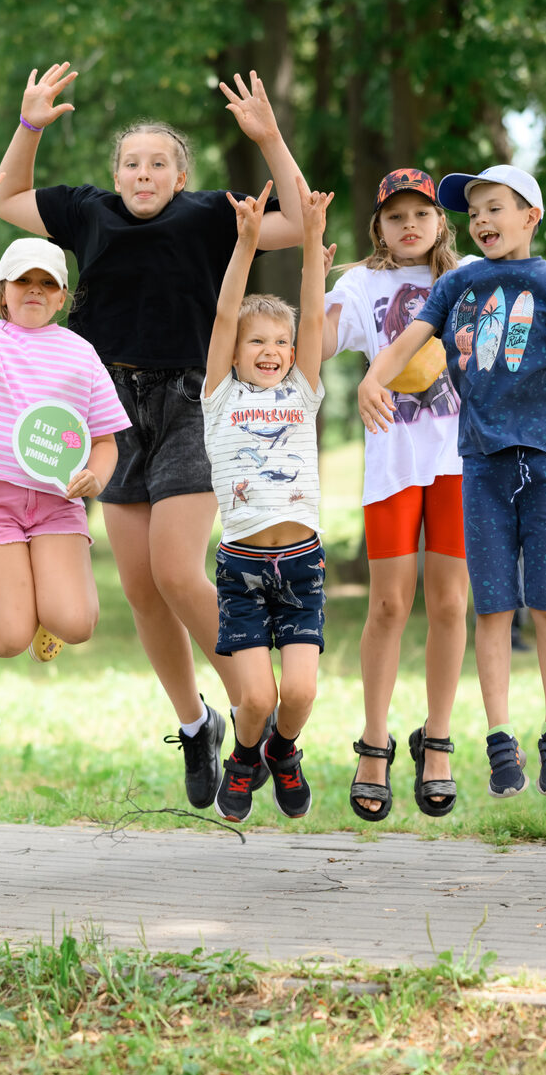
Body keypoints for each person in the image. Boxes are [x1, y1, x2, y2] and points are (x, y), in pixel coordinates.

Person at [0, 62, 307, 810]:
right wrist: (29, 123)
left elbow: (297, 221)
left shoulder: (207, 214)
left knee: (175, 568)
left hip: (193, 398)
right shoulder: (87, 210)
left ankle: (249, 710)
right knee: (140, 589)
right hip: (106, 406)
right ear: (116, 172)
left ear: (180, 172)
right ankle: (196, 724)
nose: (143, 172)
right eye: (132, 162)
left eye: (158, 162)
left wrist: (269, 138)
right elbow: (4, 198)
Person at [328, 169, 546, 821]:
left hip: (522, 460)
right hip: (460, 464)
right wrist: (370, 380)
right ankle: (454, 742)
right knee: (449, 606)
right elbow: (403, 342)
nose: (481, 219)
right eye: (475, 211)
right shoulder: (453, 284)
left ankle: (530, 740)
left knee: (522, 604)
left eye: (495, 207)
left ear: (531, 217)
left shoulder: (519, 276)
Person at [0, 164, 131, 663]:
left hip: (57, 501)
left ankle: (41, 607)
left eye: (47, 282)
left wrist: (96, 480)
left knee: (76, 622)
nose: (34, 289)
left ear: (62, 297)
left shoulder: (80, 352)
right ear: (2, 294)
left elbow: (105, 441)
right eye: (22, 281)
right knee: (7, 637)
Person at [203, 179, 332, 822]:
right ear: (232, 353)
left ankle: (280, 751)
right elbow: (226, 314)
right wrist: (247, 243)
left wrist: (311, 237)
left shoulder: (303, 393)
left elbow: (311, 316)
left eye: (278, 344)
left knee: (300, 691)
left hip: (302, 564)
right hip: (242, 570)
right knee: (253, 699)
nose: (272, 351)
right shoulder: (218, 397)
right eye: (258, 342)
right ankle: (245, 753)